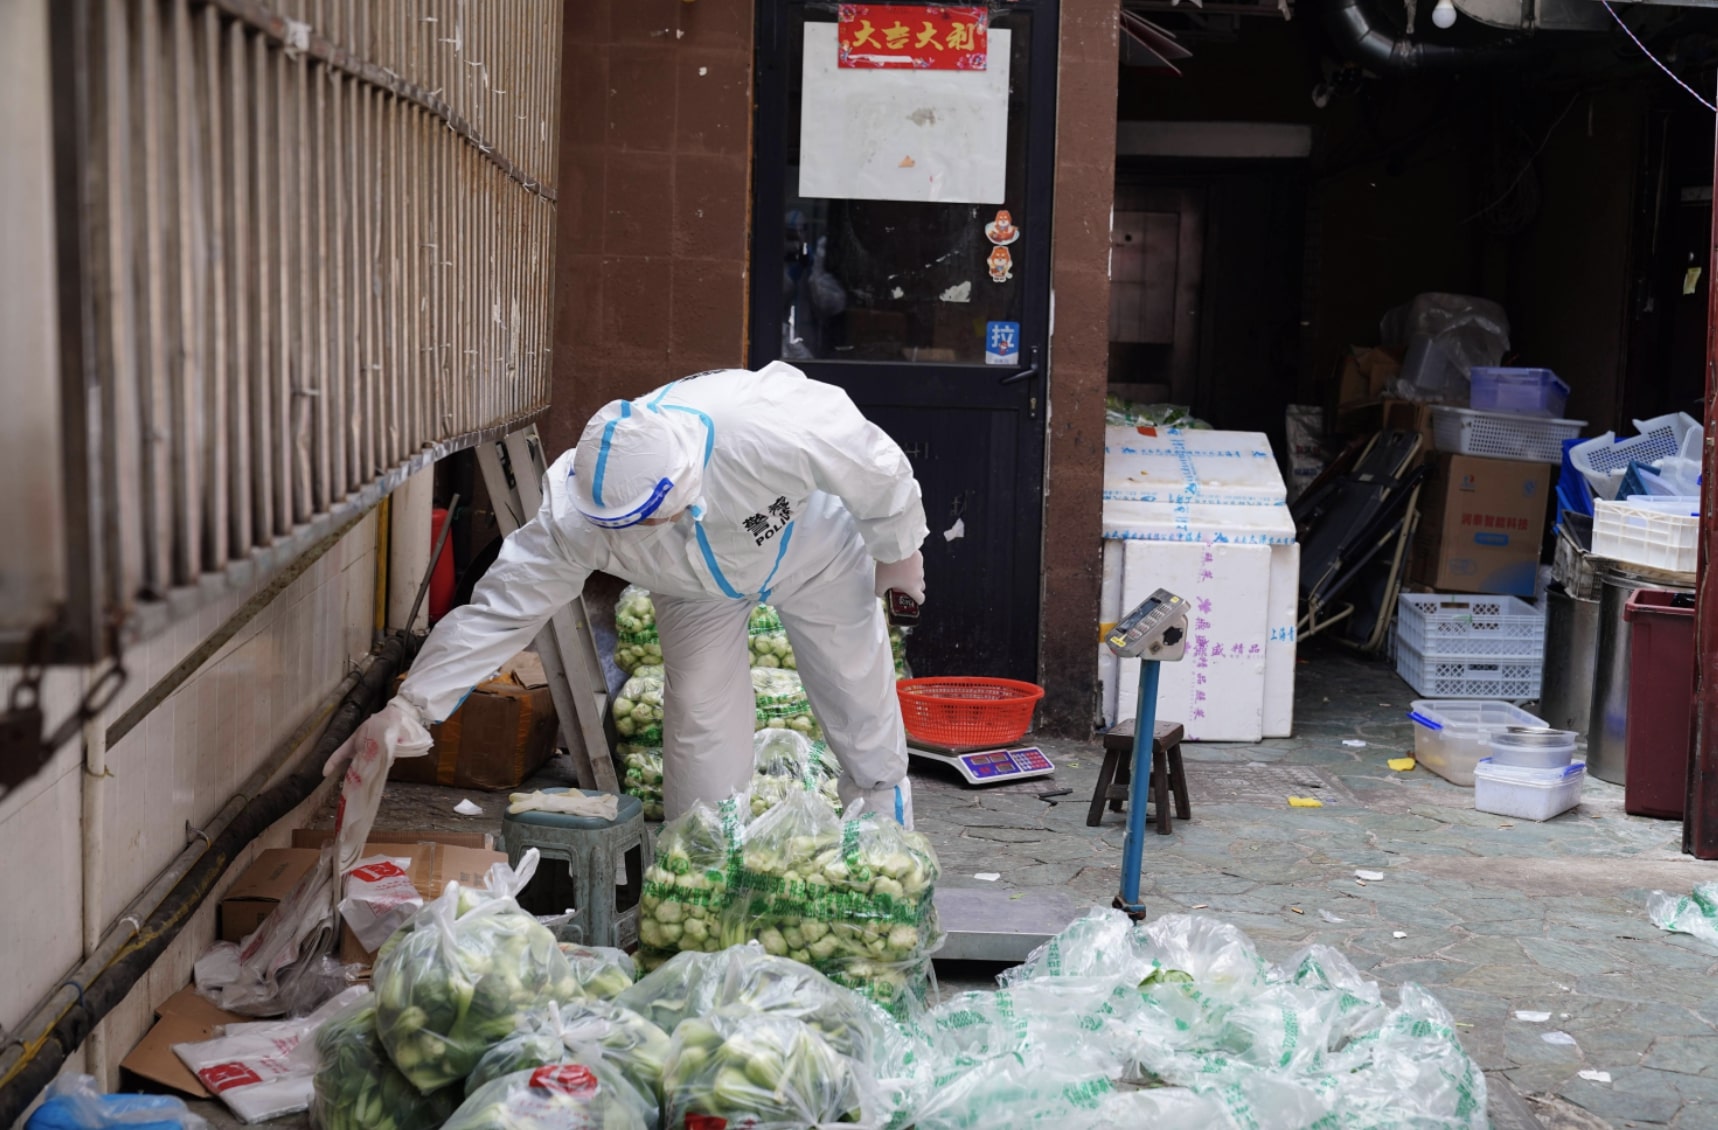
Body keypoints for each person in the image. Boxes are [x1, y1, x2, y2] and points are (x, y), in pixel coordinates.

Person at [332, 362, 928, 826]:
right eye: (626, 527)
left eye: (651, 516)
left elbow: (875, 464)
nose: (641, 531)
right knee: (698, 710)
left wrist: (898, 547)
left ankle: (884, 841)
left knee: (855, 692)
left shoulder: (762, 421)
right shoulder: (579, 518)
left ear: (684, 479)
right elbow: (502, 607)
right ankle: (706, 862)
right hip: (694, 589)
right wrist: (411, 706)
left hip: (812, 548)